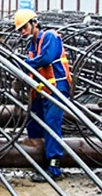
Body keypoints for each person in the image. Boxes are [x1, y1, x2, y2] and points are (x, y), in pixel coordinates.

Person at [14, 9, 71, 182]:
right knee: (34, 122)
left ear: (35, 23)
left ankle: (54, 168)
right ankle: (38, 159)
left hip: (56, 88)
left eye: (24, 27)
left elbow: (45, 59)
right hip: (41, 89)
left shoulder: (50, 37)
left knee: (52, 125)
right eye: (20, 30)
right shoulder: (33, 43)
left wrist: (22, 63)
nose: (22, 32)